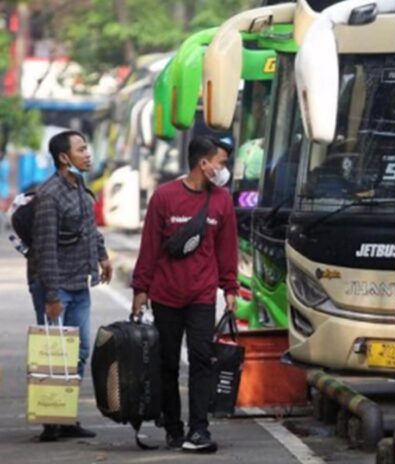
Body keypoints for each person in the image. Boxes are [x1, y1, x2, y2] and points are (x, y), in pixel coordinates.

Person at [131, 135, 239, 454]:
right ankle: (174, 427)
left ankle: (199, 428)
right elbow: (149, 246)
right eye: (220, 162)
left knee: (202, 360)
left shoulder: (222, 201)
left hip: (202, 296)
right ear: (203, 164)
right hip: (165, 295)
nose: (223, 168)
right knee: (166, 364)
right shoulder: (164, 198)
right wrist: (141, 288)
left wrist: (230, 288)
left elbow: (226, 249)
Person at [28, 130, 113, 442]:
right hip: (56, 285)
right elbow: (46, 248)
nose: (88, 153)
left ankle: (66, 416)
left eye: (87, 147)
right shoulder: (49, 195)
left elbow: (89, 228)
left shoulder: (79, 187)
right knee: (54, 355)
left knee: (79, 352)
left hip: (79, 283)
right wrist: (51, 296)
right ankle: (51, 420)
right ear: (64, 158)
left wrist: (102, 256)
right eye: (81, 149)